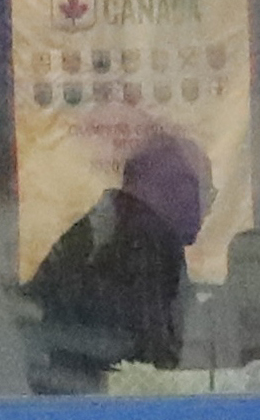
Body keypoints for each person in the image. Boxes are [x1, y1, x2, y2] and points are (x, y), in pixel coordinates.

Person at [24, 130, 206, 388]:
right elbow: (156, 364)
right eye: (191, 187)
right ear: (152, 185)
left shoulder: (95, 233)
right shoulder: (147, 240)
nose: (200, 203)